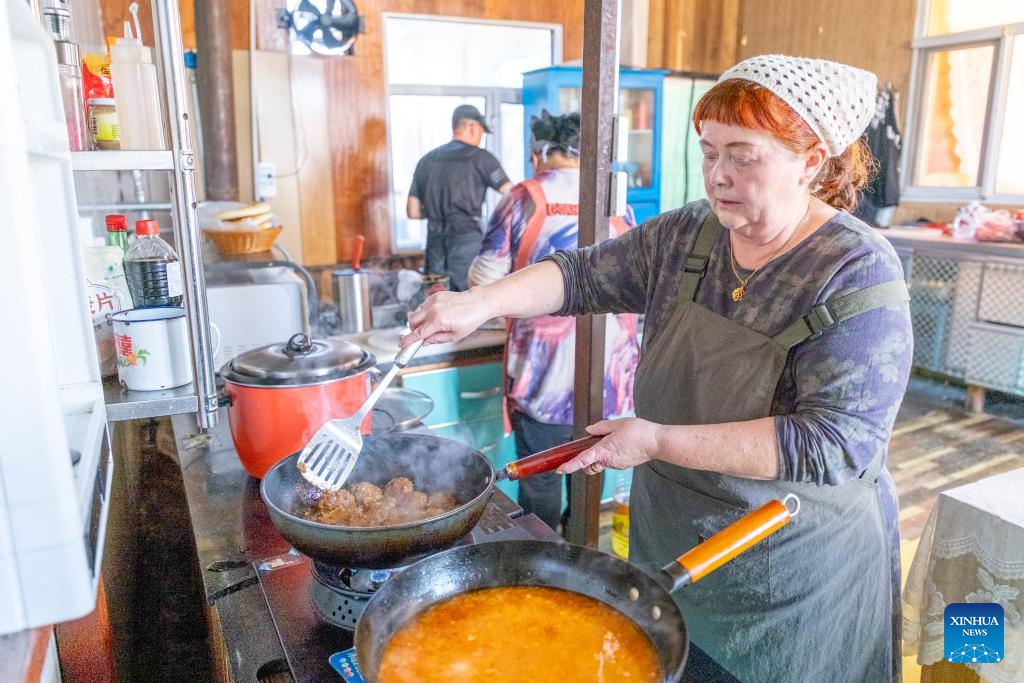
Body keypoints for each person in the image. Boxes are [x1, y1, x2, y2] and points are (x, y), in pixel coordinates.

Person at [403, 54, 913, 682]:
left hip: (787, 569)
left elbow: (837, 444)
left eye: (742, 156)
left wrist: (655, 439)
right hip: (671, 536)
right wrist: (479, 300)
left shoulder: (855, 269)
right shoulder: (691, 233)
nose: (717, 176)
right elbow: (580, 274)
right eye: (709, 152)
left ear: (811, 161)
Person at [467, 110, 640, 530]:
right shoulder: (615, 202)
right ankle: (579, 558)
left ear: (539, 152)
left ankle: (543, 566)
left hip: (542, 380)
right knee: (589, 483)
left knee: (539, 484)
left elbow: (483, 280)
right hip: (609, 381)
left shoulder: (524, 197)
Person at [406, 104, 513, 291]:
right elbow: (513, 195)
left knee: (436, 299)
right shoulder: (482, 158)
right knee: (467, 303)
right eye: (481, 131)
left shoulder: (426, 160)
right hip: (467, 241)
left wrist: (436, 211)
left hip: (435, 243)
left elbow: (413, 212)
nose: (481, 137)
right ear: (473, 127)